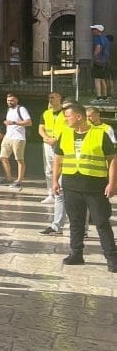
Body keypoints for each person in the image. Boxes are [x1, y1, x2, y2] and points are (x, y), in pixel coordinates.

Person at [52, 102, 116, 271]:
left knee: (102, 222)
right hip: (71, 185)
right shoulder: (64, 134)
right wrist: (54, 181)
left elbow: (112, 159)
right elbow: (58, 160)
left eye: (68, 117)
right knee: (75, 221)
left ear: (78, 117)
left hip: (95, 187)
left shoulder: (100, 134)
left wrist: (112, 183)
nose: (65, 120)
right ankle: (76, 254)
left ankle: (112, 258)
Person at [38, 91, 68, 236]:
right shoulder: (46, 113)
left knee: (58, 169)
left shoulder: (66, 113)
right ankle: (51, 192)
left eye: (53, 97)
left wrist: (56, 139)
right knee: (49, 169)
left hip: (60, 143)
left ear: (60, 99)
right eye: (49, 97)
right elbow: (40, 128)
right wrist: (47, 137)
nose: (50, 99)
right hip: (47, 143)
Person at [0, 93, 31, 191]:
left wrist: (14, 123)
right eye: (8, 100)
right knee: (3, 157)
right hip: (8, 136)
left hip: (18, 138)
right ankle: (8, 178)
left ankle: (19, 180)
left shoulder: (21, 109)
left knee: (19, 159)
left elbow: (29, 122)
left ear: (17, 100)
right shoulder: (8, 110)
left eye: (12, 100)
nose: (9, 102)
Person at [91, 24, 112, 102]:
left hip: (98, 61)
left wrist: (94, 57)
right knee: (103, 79)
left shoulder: (97, 38)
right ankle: (105, 96)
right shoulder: (105, 38)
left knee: (97, 79)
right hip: (105, 61)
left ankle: (99, 97)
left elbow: (98, 48)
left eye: (94, 29)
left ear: (98, 30)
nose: (92, 31)